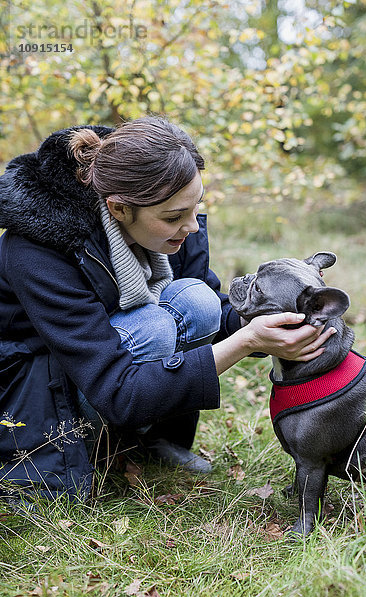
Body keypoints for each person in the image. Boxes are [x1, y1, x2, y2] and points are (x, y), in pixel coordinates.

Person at [0, 117, 335, 503]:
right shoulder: (37, 249)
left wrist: (262, 323)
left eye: (196, 207)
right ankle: (87, 451)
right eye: (174, 217)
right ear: (119, 209)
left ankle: (152, 439)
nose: (191, 226)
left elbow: (213, 310)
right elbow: (117, 389)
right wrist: (244, 343)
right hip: (33, 387)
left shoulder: (165, 220)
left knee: (195, 299)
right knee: (155, 326)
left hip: (101, 366)